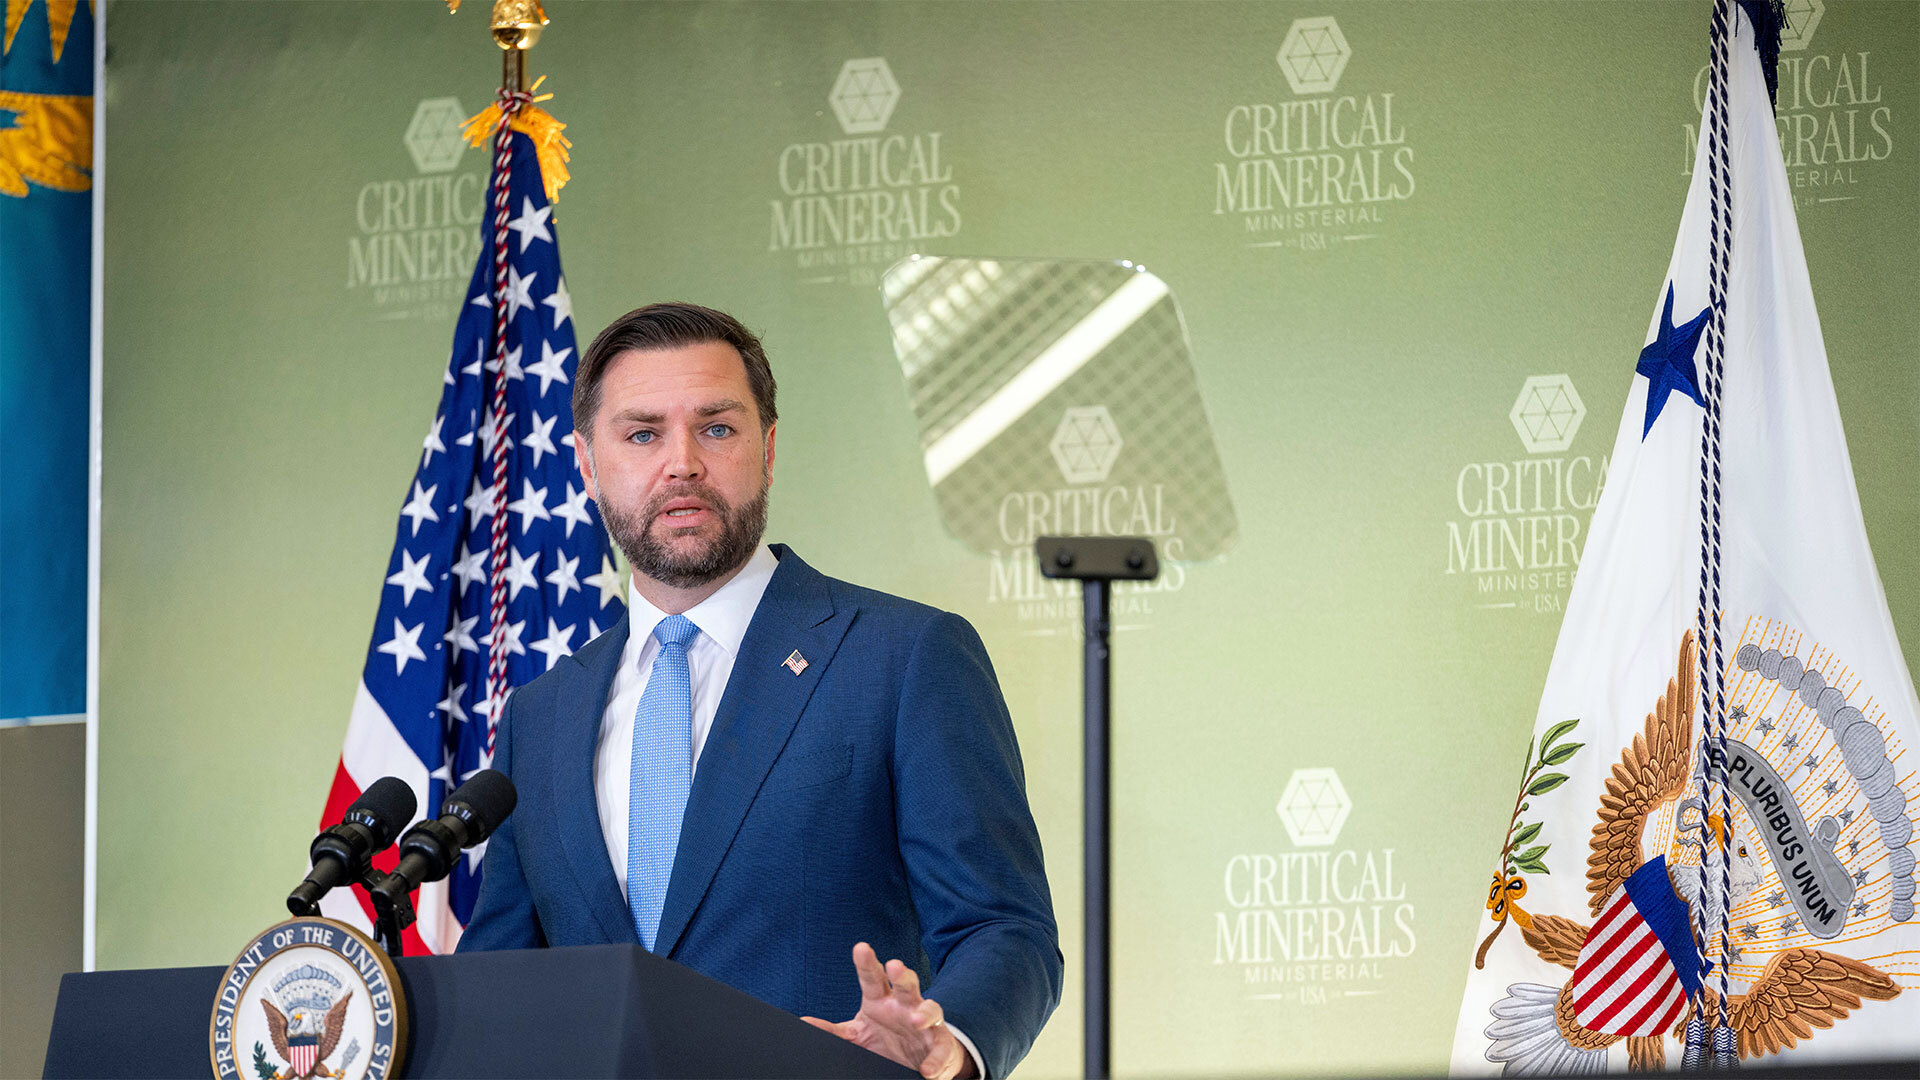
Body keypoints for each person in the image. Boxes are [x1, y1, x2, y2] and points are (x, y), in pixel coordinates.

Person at [458, 302, 1062, 1079]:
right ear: (586, 464)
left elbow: (1003, 929)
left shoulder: (903, 657)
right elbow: (499, 983)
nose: (681, 463)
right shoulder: (540, 717)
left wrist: (948, 1048)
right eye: (642, 435)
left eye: (716, 428)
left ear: (768, 449)